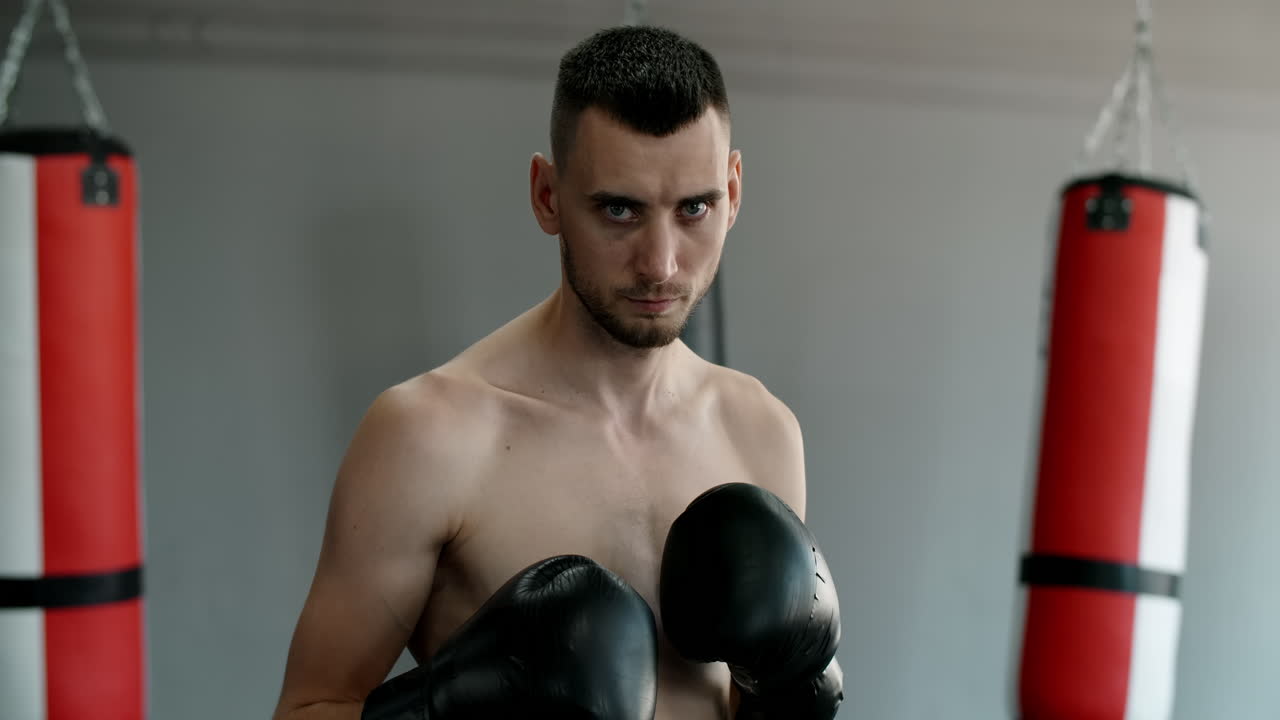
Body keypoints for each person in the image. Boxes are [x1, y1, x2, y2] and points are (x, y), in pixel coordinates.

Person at [272, 25, 840, 720]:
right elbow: (308, 707)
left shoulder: (761, 431)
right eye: (619, 210)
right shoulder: (430, 438)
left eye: (695, 207)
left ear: (734, 190)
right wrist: (445, 711)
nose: (661, 263)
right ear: (547, 195)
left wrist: (792, 692)